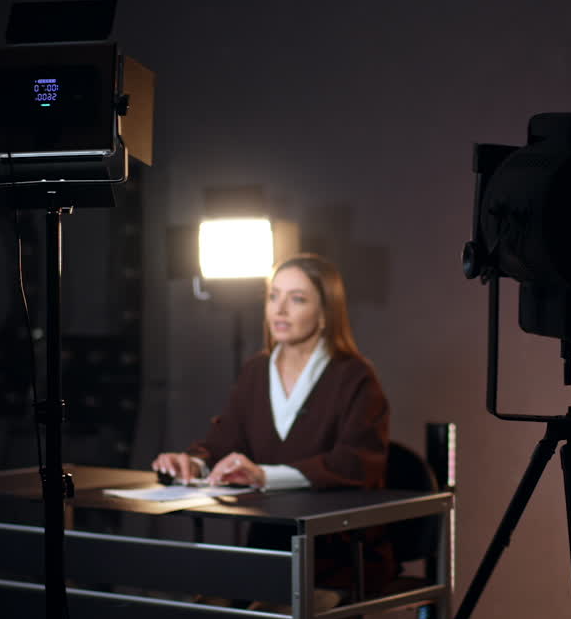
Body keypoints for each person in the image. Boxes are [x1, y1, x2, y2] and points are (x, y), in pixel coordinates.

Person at [152, 252, 396, 600]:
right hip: (271, 540)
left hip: (341, 549)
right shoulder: (257, 371)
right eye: (273, 297)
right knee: (210, 605)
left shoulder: (354, 376)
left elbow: (356, 462)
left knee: (260, 613)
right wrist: (194, 462)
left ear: (326, 314)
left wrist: (264, 476)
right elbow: (225, 440)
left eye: (296, 299)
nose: (279, 310)